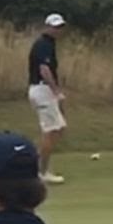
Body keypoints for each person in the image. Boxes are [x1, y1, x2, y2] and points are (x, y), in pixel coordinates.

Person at [28, 13, 69, 184]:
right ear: (47, 27)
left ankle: (38, 167)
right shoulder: (43, 44)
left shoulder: (49, 44)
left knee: (58, 129)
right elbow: (44, 70)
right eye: (55, 27)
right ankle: (40, 172)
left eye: (60, 27)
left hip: (43, 90)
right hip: (42, 89)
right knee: (51, 131)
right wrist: (56, 91)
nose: (57, 30)